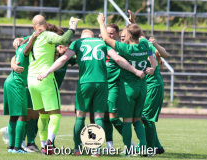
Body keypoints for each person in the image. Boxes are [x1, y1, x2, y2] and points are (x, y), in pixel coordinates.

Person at [37, 29, 145, 157]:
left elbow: (64, 59)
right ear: (93, 36)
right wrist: (136, 71)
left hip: (85, 83)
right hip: (102, 83)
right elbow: (118, 59)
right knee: (99, 116)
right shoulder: (101, 42)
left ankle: (77, 148)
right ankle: (96, 149)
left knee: (80, 116)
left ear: (83, 36)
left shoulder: (77, 43)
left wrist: (47, 72)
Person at [97, 13, 156, 156]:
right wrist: (152, 69)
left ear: (129, 37)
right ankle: (143, 147)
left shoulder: (126, 49)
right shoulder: (144, 44)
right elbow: (152, 57)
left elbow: (105, 38)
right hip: (142, 87)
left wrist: (101, 22)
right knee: (137, 119)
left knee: (127, 120)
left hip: (128, 88)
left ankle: (128, 150)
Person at [23, 15, 80, 155]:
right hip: (45, 79)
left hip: (31, 79)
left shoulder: (33, 36)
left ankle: (43, 145)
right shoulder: (47, 34)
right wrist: (72, 26)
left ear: (33, 26)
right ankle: (49, 143)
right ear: (45, 24)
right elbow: (63, 40)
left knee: (42, 115)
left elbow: (24, 51)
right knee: (55, 114)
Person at [128, 10, 169, 154]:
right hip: (147, 86)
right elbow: (140, 34)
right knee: (144, 117)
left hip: (153, 85)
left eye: (124, 36)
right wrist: (133, 21)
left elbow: (164, 54)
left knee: (146, 118)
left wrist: (156, 59)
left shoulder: (145, 45)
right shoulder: (138, 45)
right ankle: (156, 146)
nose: (123, 39)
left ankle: (148, 147)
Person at [3, 33, 41, 153]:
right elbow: (27, 46)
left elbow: (17, 53)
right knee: (22, 115)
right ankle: (17, 147)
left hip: (11, 82)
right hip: (17, 84)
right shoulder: (25, 50)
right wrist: (34, 36)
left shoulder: (19, 48)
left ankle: (12, 147)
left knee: (14, 116)